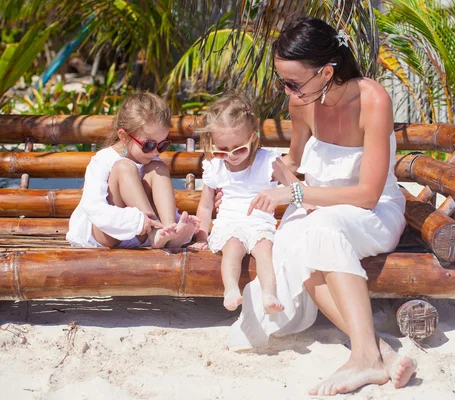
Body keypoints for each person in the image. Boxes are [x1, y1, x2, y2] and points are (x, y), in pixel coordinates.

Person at [227, 18, 417, 396]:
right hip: (314, 205)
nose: (288, 91)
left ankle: (364, 358)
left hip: (372, 213)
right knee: (296, 244)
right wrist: (263, 178)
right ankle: (377, 352)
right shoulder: (303, 103)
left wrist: (298, 196)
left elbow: (367, 194)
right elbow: (296, 161)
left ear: (327, 71)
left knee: (322, 228)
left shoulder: (372, 99)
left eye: (293, 82)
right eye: (282, 81)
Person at [188, 94, 285, 314]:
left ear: (253, 137)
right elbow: (205, 206)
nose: (231, 156)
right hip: (229, 222)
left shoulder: (267, 161)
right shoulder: (215, 166)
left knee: (264, 251)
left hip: (260, 222)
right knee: (232, 248)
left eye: (239, 149)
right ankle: (230, 289)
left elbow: (295, 187)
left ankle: (269, 293)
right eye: (223, 150)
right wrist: (201, 236)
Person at [67, 92, 197, 249]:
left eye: (162, 145)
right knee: (125, 167)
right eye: (148, 145)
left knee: (158, 167)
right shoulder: (103, 159)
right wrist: (137, 221)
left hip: (144, 234)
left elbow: (162, 199)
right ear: (124, 137)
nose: (155, 152)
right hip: (108, 234)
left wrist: (174, 223)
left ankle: (168, 232)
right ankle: (156, 231)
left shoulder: (152, 162)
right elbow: (93, 207)